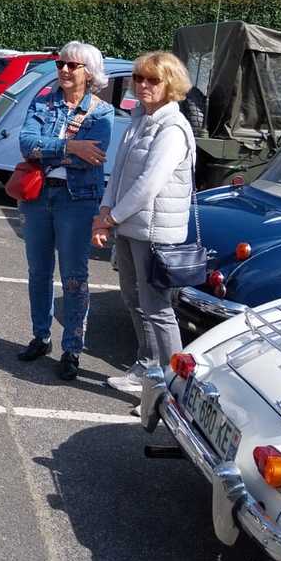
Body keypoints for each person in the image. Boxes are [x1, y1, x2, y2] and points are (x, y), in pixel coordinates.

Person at [93, 51, 196, 395]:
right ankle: (148, 368)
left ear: (171, 84)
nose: (143, 85)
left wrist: (111, 218)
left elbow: (149, 184)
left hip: (155, 232)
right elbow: (119, 172)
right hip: (131, 227)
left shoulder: (172, 128)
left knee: (158, 308)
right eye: (139, 78)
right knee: (134, 299)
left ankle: (175, 388)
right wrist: (106, 210)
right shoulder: (140, 119)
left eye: (153, 80)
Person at [15, 42, 115, 380]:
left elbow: (93, 156)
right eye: (61, 64)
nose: (64, 70)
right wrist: (71, 146)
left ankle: (72, 348)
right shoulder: (43, 101)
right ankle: (40, 337)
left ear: (89, 73)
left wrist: (47, 150)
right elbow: (26, 144)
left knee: (74, 277)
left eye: (73, 65)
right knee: (38, 272)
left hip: (78, 200)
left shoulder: (101, 112)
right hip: (38, 196)